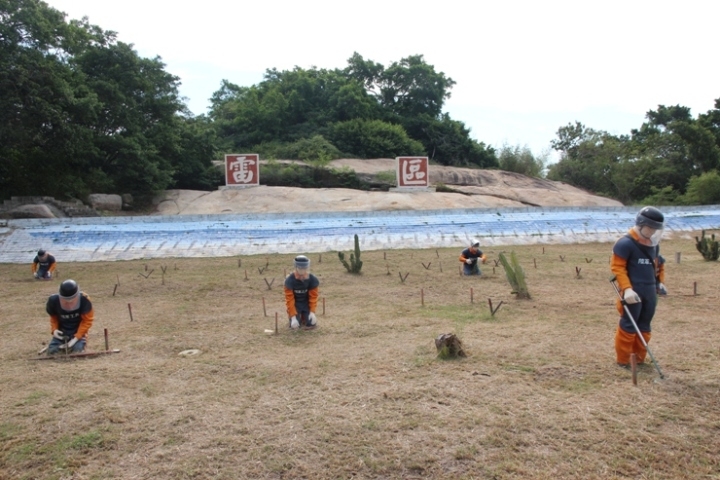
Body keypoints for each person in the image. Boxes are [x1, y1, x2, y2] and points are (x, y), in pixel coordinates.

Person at [610, 206, 667, 368]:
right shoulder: (625, 244)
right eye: (651, 228)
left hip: (649, 291)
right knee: (629, 324)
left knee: (644, 325)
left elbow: (657, 264)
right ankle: (623, 360)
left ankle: (638, 358)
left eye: (656, 229)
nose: (653, 232)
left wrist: (659, 282)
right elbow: (618, 268)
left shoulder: (653, 245)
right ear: (641, 225)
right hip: (632, 291)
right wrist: (627, 289)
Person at [46, 279, 94, 354]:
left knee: (77, 351)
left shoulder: (84, 300)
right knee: (52, 351)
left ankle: (79, 344)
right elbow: (54, 317)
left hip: (78, 332)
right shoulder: (53, 300)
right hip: (62, 333)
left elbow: (87, 321)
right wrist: (54, 330)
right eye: (65, 299)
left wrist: (76, 337)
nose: (69, 301)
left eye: (72, 299)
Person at [284, 255, 320, 329]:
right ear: (296, 267)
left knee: (311, 323)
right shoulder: (289, 280)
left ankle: (305, 317)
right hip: (295, 304)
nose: (302, 270)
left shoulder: (312, 279)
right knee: (295, 325)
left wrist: (312, 312)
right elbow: (289, 299)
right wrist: (293, 317)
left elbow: (313, 296)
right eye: (300, 268)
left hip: (306, 304)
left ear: (307, 268)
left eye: (304, 268)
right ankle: (296, 317)